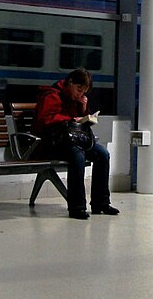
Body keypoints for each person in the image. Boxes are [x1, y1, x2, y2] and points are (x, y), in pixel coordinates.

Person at [33, 68, 119, 220]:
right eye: (79, 89)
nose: (80, 94)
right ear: (70, 82)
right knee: (77, 156)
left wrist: (84, 109)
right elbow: (44, 121)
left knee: (103, 154)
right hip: (52, 142)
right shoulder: (51, 96)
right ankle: (77, 207)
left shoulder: (76, 100)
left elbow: (80, 122)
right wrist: (69, 120)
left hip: (73, 139)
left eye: (84, 92)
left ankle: (101, 203)